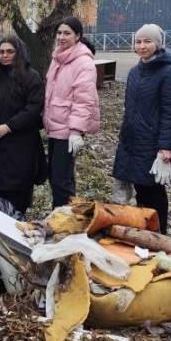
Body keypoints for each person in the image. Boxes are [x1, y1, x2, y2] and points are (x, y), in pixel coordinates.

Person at [112, 24, 171, 234]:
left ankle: (159, 235)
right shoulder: (135, 72)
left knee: (153, 191)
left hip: (152, 143)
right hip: (132, 140)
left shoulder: (168, 72)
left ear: (158, 44)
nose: (142, 46)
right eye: (139, 41)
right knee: (140, 189)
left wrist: (166, 146)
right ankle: (144, 233)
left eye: (148, 41)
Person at [0, 36, 44, 214]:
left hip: (19, 147)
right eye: (2, 52)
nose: (5, 55)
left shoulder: (31, 78)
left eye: (10, 52)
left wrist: (9, 126)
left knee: (15, 196)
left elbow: (33, 108)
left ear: (18, 54)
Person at [44, 16, 100, 209]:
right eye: (59, 33)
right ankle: (64, 214)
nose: (61, 37)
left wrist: (76, 131)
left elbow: (84, 100)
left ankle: (64, 221)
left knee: (61, 179)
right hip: (55, 126)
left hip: (68, 129)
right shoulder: (58, 57)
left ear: (78, 36)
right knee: (58, 176)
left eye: (67, 33)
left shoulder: (83, 63)